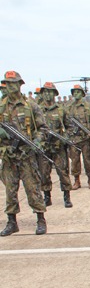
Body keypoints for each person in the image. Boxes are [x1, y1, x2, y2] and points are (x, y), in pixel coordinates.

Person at [0, 71, 49, 236]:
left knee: (33, 188)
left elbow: (43, 128)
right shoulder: (1, 105)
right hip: (9, 155)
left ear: (20, 84)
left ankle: (41, 219)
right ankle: (12, 222)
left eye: (14, 83)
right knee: (10, 191)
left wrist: (37, 141)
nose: (11, 86)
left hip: (26, 155)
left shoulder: (31, 105)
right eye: (8, 83)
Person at [38, 82, 73, 208]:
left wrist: (65, 138)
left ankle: (67, 197)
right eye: (45, 92)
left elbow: (70, 127)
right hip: (44, 148)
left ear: (54, 94)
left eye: (50, 92)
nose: (47, 94)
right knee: (44, 173)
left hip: (58, 147)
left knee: (63, 172)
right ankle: (47, 197)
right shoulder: (38, 110)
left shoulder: (61, 110)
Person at [65, 84, 90, 190]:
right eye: (74, 92)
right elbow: (64, 123)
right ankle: (77, 180)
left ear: (82, 94)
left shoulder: (88, 107)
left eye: (78, 92)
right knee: (75, 161)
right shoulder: (68, 107)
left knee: (88, 160)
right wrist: (67, 133)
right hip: (73, 139)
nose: (76, 94)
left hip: (86, 139)